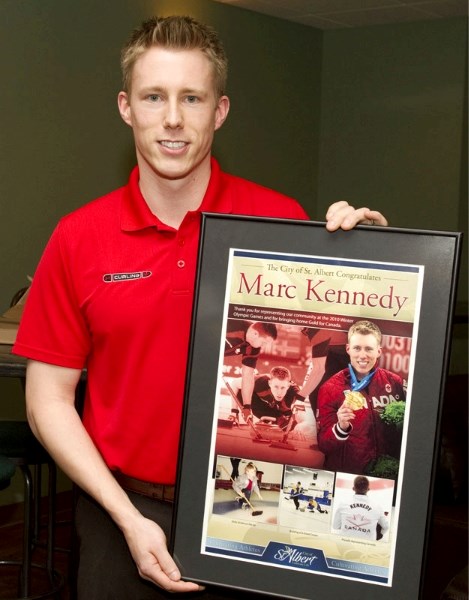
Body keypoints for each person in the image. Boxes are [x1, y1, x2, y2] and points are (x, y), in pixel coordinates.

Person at [13, 15, 388, 599]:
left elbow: (341, 355)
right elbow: (47, 400)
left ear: (219, 111)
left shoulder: (280, 223)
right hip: (123, 510)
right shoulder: (78, 237)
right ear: (125, 106)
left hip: (257, 507)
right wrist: (126, 518)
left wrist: (374, 258)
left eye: (192, 98)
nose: (172, 118)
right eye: (153, 96)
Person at [317, 320, 406, 475]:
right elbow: (323, 445)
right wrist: (340, 427)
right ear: (348, 349)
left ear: (379, 351)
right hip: (348, 476)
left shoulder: (395, 383)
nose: (362, 355)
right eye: (357, 348)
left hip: (386, 475)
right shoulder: (330, 389)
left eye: (369, 349)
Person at [225, 320, 277, 412]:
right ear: (255, 334)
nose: (264, 346)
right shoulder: (230, 325)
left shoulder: (254, 348)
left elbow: (248, 375)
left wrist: (247, 407)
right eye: (264, 342)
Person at [332, 476, 389, 540]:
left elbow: (335, 526)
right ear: (368, 489)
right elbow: (386, 527)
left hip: (345, 542)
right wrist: (379, 534)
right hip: (368, 545)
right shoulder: (377, 507)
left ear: (353, 488)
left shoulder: (343, 504)